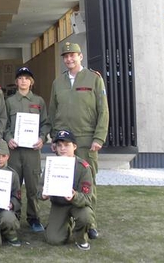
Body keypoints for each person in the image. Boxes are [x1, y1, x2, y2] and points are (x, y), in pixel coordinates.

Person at [49, 42, 108, 239]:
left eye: (72, 55)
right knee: (63, 179)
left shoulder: (94, 79)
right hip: (63, 141)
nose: (69, 59)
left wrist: (99, 137)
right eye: (65, 56)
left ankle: (89, 222)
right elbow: (52, 111)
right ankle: (64, 219)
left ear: (80, 56)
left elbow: (103, 110)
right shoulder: (58, 82)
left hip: (85, 138)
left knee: (87, 181)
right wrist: (54, 136)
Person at [4, 67, 51, 232]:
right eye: (20, 78)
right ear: (16, 82)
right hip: (15, 152)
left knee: (32, 187)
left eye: (27, 78)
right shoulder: (9, 102)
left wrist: (42, 138)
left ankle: (33, 218)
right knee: (14, 185)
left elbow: (46, 123)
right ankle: (13, 215)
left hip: (32, 151)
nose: (23, 81)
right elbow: (5, 124)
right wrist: (8, 138)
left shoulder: (39, 101)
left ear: (31, 82)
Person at [39, 129, 94, 251]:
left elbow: (87, 197)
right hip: (59, 205)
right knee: (53, 240)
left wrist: (74, 196)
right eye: (59, 145)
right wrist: (43, 195)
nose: (62, 148)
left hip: (77, 205)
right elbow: (39, 189)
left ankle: (81, 238)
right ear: (56, 148)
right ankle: (65, 227)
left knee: (86, 216)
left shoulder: (83, 167)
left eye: (67, 145)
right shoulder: (51, 165)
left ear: (74, 146)